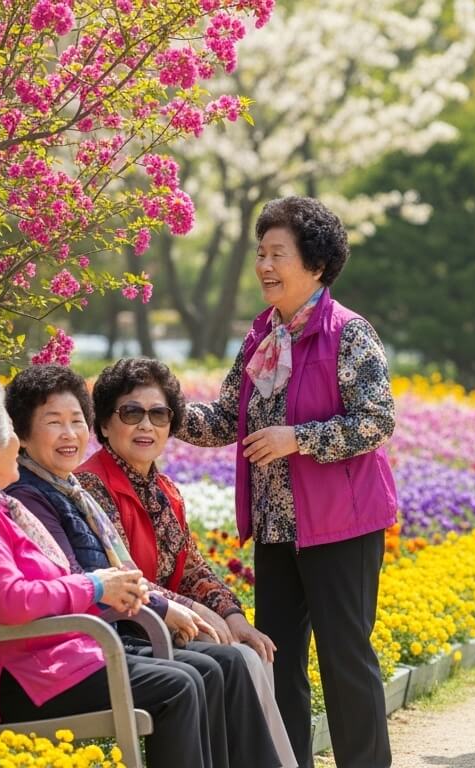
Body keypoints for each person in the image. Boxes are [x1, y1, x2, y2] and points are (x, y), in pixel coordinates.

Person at [173, 196, 398, 768]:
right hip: (275, 527)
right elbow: (228, 417)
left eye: (278, 254)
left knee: (346, 658)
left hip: (341, 525)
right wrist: (161, 414)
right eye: (261, 254)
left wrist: (296, 438)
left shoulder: (348, 334)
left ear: (316, 265)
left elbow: (376, 421)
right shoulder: (261, 338)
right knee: (279, 660)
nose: (265, 266)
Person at [0, 372, 220, 768]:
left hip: (52, 661)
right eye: (10, 430)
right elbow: (10, 601)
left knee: (198, 674)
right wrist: (94, 586)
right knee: (179, 686)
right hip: (20, 678)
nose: (17, 441)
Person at [2, 364, 290, 766]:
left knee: (243, 651)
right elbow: (101, 580)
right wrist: (184, 611)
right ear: (103, 423)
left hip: (126, 629)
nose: (146, 425)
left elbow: (192, 566)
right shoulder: (87, 487)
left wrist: (231, 613)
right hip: (121, 632)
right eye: (131, 413)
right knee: (224, 663)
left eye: (159, 415)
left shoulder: (157, 489)